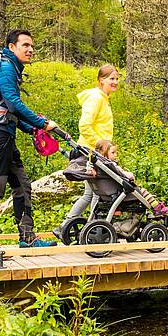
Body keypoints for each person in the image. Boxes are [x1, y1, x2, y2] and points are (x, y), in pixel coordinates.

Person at [0, 29, 60, 250]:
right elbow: (13, 104)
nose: (30, 50)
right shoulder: (4, 67)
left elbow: (7, 111)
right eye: (25, 45)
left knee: (22, 185)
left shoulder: (11, 67)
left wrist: (31, 129)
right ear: (12, 47)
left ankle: (27, 237)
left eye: (32, 46)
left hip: (4, 134)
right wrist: (42, 123)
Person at [53, 64, 118, 238]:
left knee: (92, 193)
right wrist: (100, 145)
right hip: (93, 152)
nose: (115, 82)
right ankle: (83, 226)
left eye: (117, 79)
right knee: (96, 192)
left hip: (98, 153)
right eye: (111, 79)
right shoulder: (96, 98)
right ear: (101, 80)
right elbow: (85, 125)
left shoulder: (103, 98)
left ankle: (78, 225)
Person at [92, 139, 168, 217]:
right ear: (104, 154)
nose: (116, 155)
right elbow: (122, 174)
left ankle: (156, 205)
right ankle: (157, 208)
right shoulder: (111, 165)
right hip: (118, 194)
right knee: (142, 191)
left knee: (140, 191)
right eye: (113, 153)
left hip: (106, 194)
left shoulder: (98, 166)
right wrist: (130, 175)